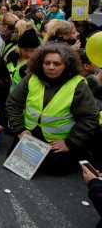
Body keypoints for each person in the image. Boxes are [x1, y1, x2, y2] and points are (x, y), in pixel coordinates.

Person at [6, 43, 100, 175]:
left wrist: (70, 143)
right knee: (16, 161)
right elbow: (13, 103)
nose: (51, 67)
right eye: (47, 63)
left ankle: (83, 153)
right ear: (40, 63)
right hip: (30, 135)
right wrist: (20, 129)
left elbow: (90, 117)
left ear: (66, 65)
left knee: (55, 168)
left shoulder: (77, 85)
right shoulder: (31, 78)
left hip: (58, 141)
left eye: (57, 64)